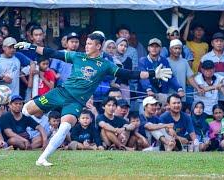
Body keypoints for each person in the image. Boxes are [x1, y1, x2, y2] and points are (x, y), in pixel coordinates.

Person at [15, 33, 172, 166]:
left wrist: (153, 74)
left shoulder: (105, 65)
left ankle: (42, 159)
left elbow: (128, 73)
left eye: (90, 44)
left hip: (75, 102)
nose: (86, 46)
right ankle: (27, 122)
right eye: (87, 43)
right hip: (60, 93)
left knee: (64, 128)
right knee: (26, 111)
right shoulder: (77, 56)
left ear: (98, 46)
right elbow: (51, 52)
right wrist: (30, 46)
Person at [200, 32, 224, 108]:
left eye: (221, 41)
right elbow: (200, 77)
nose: (219, 43)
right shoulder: (205, 58)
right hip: (211, 95)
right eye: (217, 41)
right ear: (212, 43)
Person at [167, 39, 204, 103]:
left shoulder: (184, 62)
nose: (178, 50)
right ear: (170, 50)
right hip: (168, 96)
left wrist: (198, 88)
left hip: (181, 96)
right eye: (175, 48)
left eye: (179, 48)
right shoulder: (165, 61)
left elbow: (190, 78)